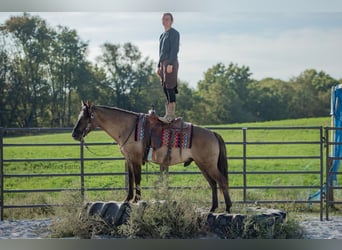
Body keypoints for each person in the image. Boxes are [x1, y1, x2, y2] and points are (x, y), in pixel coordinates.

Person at [157, 12, 180, 123]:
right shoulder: (162, 35)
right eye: (163, 19)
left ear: (171, 21)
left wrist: (170, 64)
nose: (165, 21)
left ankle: (171, 116)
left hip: (171, 62)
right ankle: (167, 114)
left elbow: (174, 49)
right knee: (165, 87)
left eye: (167, 19)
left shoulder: (174, 33)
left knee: (170, 87)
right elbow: (160, 52)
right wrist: (158, 65)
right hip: (163, 63)